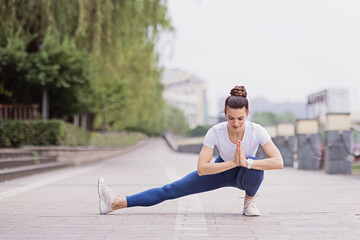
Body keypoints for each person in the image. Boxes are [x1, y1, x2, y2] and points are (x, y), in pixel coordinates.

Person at [97, 85, 283, 216]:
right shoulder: (215, 132)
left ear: (248, 114)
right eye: (230, 118)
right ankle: (114, 203)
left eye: (240, 118)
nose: (235, 123)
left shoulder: (257, 130)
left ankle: (249, 201)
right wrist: (233, 163)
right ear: (224, 113)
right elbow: (202, 168)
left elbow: (278, 162)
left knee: (255, 164)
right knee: (171, 189)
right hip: (221, 170)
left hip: (246, 174)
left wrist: (245, 163)